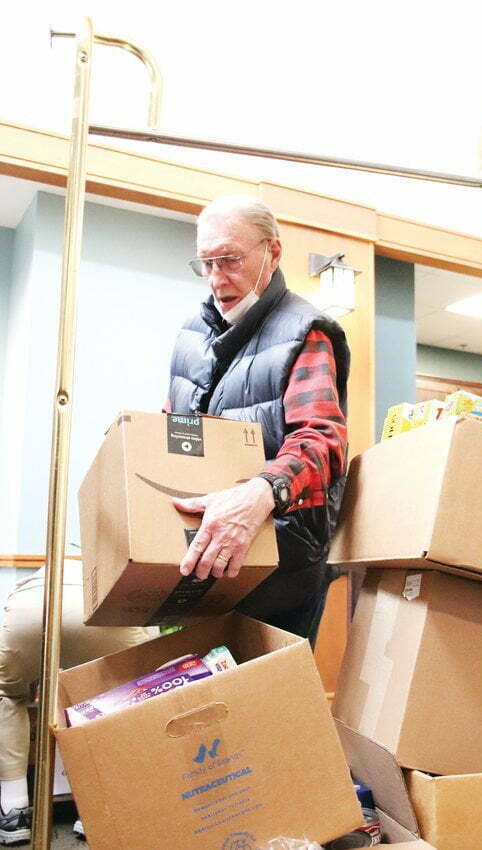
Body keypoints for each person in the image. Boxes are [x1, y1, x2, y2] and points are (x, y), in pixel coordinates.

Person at [167, 195, 350, 644]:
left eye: (229, 260)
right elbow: (170, 436)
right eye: (205, 263)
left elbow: (321, 440)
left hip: (282, 568)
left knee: (263, 707)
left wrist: (260, 494)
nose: (216, 278)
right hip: (198, 555)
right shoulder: (191, 335)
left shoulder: (306, 329)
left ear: (272, 251)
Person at [0, 559, 157, 845]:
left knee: (8, 694)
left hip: (32, 611)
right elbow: (151, 635)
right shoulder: (110, 572)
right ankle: (94, 812)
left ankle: (14, 810)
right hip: (100, 614)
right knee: (122, 699)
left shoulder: (41, 571)